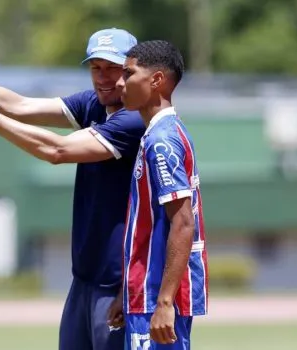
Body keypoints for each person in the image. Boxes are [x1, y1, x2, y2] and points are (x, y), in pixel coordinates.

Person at [0, 28, 146, 350]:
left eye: (113, 69)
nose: (103, 78)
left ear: (132, 69)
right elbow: (21, 105)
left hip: (117, 282)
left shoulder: (134, 119)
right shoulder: (94, 105)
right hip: (85, 279)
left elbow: (57, 151)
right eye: (96, 68)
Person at [114, 40, 209, 350]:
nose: (120, 82)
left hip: (157, 294)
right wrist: (126, 293)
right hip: (144, 291)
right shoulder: (159, 134)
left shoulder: (162, 141)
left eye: (128, 74)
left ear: (156, 80)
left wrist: (164, 301)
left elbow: (183, 223)